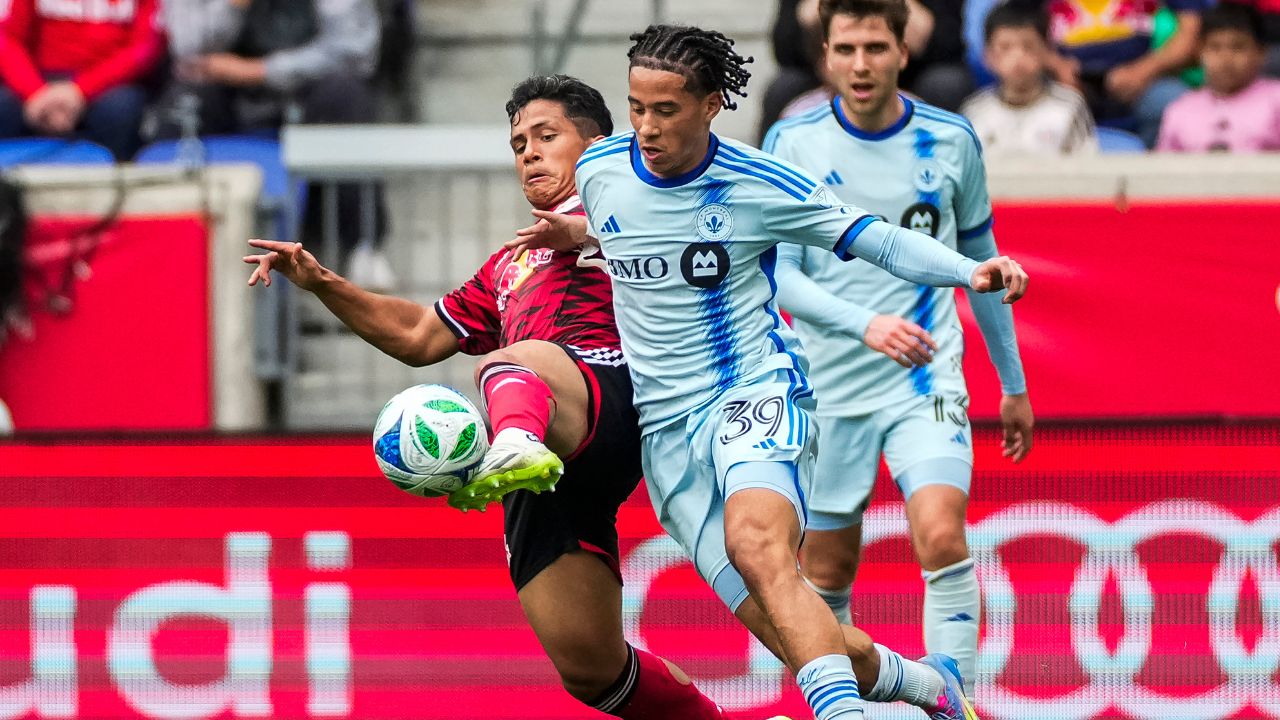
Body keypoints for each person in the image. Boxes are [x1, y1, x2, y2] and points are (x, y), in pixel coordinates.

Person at [519, 23, 1028, 720]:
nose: (647, 128)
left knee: (756, 544)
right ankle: (927, 685)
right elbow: (626, 224)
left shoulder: (758, 181)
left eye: (665, 110)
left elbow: (877, 240)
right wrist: (578, 232)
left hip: (751, 392)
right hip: (665, 434)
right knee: (787, 624)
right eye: (636, 108)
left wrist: (970, 271)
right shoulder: (602, 168)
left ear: (711, 106)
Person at [243, 75, 735, 720]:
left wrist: (588, 233)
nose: (529, 153)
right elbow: (419, 335)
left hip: (606, 397)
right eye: (518, 144)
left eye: (546, 136)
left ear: (597, 145)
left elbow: (702, 245)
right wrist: (322, 282)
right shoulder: (510, 264)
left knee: (510, 362)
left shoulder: (643, 206)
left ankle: (516, 439)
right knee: (591, 670)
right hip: (545, 455)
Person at [764, 0, 1034, 696]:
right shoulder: (791, 143)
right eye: (847, 49)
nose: (862, 65)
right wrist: (865, 324)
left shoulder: (951, 139)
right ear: (825, 55)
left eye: (876, 48)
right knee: (826, 571)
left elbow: (980, 266)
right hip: (826, 387)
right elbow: (780, 277)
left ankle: (954, 701)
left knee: (941, 534)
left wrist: (1013, 383)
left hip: (924, 379)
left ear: (903, 52)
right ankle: (840, 707)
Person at [160, 0, 393, 289]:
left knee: (347, 94)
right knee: (183, 101)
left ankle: (364, 246)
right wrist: (233, 7)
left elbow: (355, 50)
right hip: (228, 94)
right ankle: (170, 245)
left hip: (308, 90)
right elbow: (186, 49)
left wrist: (262, 71)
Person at [1007, 0, 1206, 147]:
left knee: (1169, 102)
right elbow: (1012, 26)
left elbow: (1191, 29)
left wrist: (1144, 70)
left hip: (1143, 80)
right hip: (1063, 79)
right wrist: (1057, 66)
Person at [0, 0, 163, 160]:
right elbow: (7, 40)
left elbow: (144, 49)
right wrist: (33, 91)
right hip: (38, 81)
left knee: (122, 110)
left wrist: (80, 91)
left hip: (107, 85)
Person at [960, 4, 1098, 156]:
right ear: (988, 56)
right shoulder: (974, 111)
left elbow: (1086, 164)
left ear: (1047, 50)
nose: (1018, 58)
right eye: (1005, 47)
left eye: (1028, 46)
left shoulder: (1070, 106)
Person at [1157, 2, 1280, 152]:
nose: (1226, 58)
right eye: (1215, 47)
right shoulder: (1180, 110)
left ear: (1261, 52)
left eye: (1238, 47)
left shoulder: (1276, 101)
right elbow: (1164, 165)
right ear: (1200, 52)